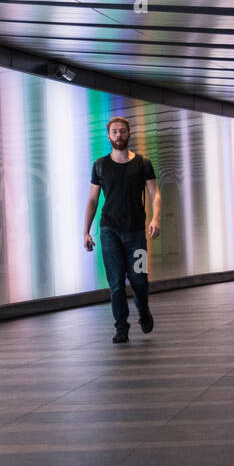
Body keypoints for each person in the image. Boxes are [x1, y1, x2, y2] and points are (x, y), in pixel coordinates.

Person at [83, 116, 162, 343]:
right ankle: (121, 327)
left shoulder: (143, 164)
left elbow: (154, 194)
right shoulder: (99, 166)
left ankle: (143, 309)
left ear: (129, 134)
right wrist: (85, 231)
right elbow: (92, 200)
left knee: (139, 280)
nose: (118, 135)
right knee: (115, 282)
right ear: (109, 136)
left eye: (122, 131)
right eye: (114, 132)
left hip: (137, 232)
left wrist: (155, 219)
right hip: (109, 231)